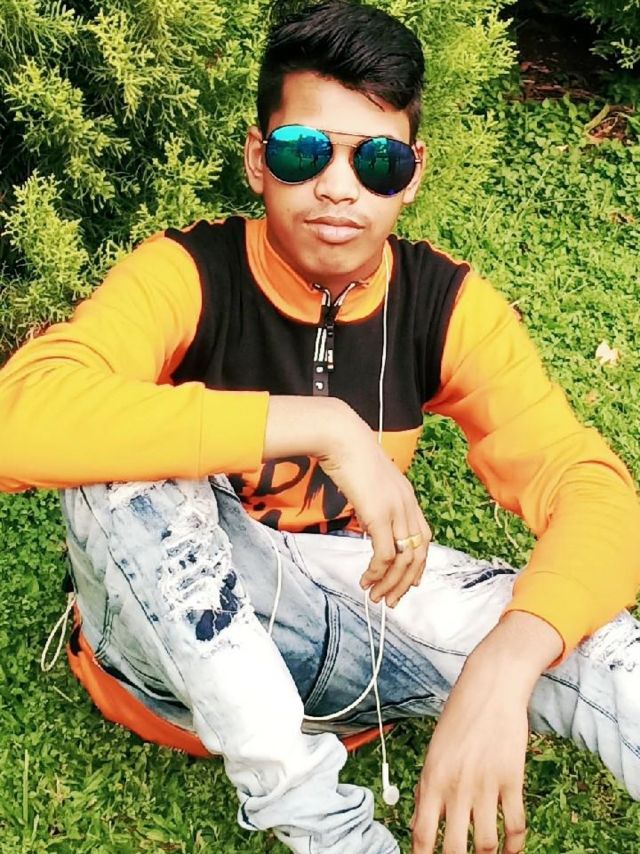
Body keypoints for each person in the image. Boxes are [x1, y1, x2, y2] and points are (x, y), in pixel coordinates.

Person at [1, 2, 639, 852]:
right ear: (257, 159)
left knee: (590, 631)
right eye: (305, 152)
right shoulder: (187, 275)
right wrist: (325, 425)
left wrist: (509, 659)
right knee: (120, 471)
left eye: (376, 161)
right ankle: (328, 829)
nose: (339, 187)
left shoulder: (445, 306)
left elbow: (592, 488)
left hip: (349, 624)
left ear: (412, 174)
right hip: (172, 653)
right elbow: (21, 416)